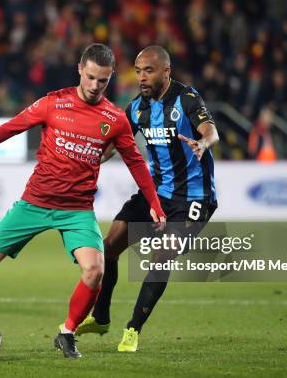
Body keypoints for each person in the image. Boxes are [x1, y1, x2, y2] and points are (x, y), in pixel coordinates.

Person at [0, 43, 167, 359]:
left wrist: (154, 201)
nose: (95, 86)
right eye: (90, 77)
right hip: (34, 203)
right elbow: (5, 130)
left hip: (77, 211)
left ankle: (67, 332)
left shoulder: (114, 118)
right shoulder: (53, 103)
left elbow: (136, 162)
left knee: (95, 270)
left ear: (110, 78)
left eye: (103, 81)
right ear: (80, 71)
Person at [75, 45, 219, 352]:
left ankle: (133, 330)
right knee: (108, 247)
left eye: (148, 71)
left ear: (166, 72)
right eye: (138, 70)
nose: (141, 77)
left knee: (162, 256)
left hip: (194, 198)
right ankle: (100, 317)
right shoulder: (137, 108)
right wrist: (93, 156)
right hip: (156, 193)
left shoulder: (187, 99)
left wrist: (203, 143)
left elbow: (211, 130)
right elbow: (115, 142)